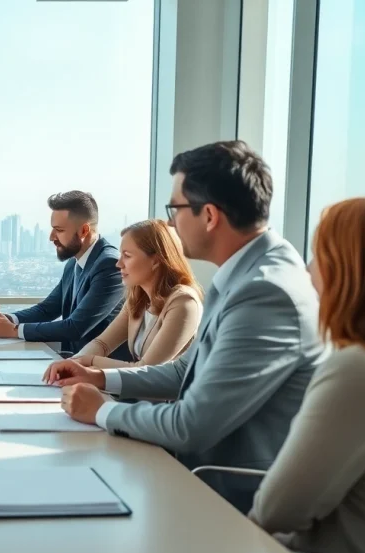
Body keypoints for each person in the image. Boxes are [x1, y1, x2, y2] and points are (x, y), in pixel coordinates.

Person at [46, 141, 324, 512]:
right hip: (196, 475)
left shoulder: (264, 292)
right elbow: (184, 370)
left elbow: (192, 424)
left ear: (209, 215)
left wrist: (101, 411)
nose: (172, 222)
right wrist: (100, 379)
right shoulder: (245, 275)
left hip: (226, 495)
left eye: (174, 208)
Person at [249, 196, 365, 553]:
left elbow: (275, 511)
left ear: (350, 271)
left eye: (318, 254)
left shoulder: (358, 373)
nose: (309, 269)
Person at [0, 190, 127, 357]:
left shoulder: (109, 265)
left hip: (101, 372)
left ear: (84, 230)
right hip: (74, 363)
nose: (51, 237)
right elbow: (47, 309)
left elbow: (76, 327)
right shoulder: (75, 261)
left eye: (59, 230)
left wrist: (12, 330)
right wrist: (6, 319)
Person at [73, 219, 203, 368]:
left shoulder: (184, 302)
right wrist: (73, 362)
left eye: (127, 256)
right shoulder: (139, 298)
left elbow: (146, 370)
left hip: (170, 391)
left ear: (156, 261)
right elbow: (102, 344)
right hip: (141, 390)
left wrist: (88, 361)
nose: (118, 264)